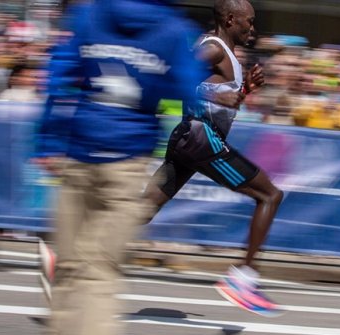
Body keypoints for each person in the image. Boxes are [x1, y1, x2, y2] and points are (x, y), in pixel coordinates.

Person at [34, 1, 205, 334]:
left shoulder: (90, 12)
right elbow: (190, 93)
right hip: (127, 159)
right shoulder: (175, 29)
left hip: (78, 152)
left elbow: (57, 77)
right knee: (99, 269)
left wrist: (48, 142)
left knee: (69, 265)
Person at [143, 0, 285, 316]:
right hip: (199, 139)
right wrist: (214, 94)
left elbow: (222, 102)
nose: (253, 28)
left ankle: (75, 255)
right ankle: (243, 279)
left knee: (144, 209)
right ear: (231, 19)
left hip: (188, 140)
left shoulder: (225, 54)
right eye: (250, 21)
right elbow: (173, 77)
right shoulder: (214, 48)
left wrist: (245, 89)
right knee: (270, 195)